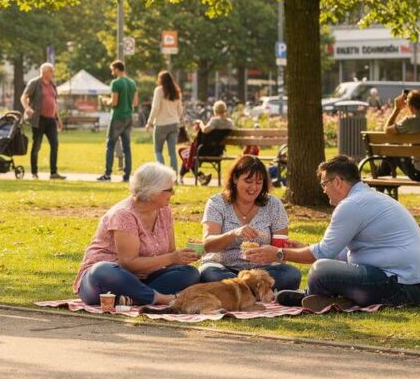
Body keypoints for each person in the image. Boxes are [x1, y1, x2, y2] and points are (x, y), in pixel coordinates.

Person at [248, 155, 420, 310]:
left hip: (400, 287)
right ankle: (331, 299)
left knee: (321, 271)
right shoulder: (368, 198)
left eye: (324, 184)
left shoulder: (351, 205)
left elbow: (324, 253)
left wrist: (279, 253)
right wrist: (305, 248)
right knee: (325, 268)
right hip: (413, 286)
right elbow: (342, 253)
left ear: (337, 182)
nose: (323, 191)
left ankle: (317, 297)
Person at [74, 163, 201, 306]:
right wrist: (172, 257)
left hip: (142, 278)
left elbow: (170, 254)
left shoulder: (164, 210)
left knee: (190, 273)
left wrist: (183, 257)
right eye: (169, 189)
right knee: (102, 270)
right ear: (152, 192)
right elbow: (128, 264)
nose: (173, 193)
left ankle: (132, 298)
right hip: (107, 280)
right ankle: (158, 298)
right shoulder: (124, 214)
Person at [197, 155, 302, 290]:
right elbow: (207, 245)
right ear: (235, 179)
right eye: (248, 181)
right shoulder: (217, 203)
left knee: (291, 275)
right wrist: (233, 234)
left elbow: (280, 249)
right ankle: (255, 290)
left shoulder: (273, 204)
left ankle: (239, 290)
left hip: (260, 270)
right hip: (222, 267)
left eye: (259, 182)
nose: (253, 187)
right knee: (210, 275)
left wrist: (272, 254)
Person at [376, 89, 420, 181]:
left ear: (410, 106)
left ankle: (378, 177)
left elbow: (387, 130)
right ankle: (380, 177)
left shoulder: (410, 121)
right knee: (393, 149)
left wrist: (397, 109)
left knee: (392, 148)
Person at [21, 63, 65, 179]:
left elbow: (54, 103)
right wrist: (27, 108)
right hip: (39, 120)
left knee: (55, 144)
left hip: (51, 120)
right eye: (51, 71)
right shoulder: (35, 83)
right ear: (45, 72)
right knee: (37, 146)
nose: (53, 73)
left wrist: (58, 119)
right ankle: (34, 173)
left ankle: (53, 173)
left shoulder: (52, 84)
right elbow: (24, 97)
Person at [98, 60, 137, 182]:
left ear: (116, 69)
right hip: (128, 117)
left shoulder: (115, 83)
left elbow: (114, 102)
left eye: (112, 70)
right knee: (127, 147)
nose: (111, 72)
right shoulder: (132, 83)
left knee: (110, 145)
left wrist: (105, 101)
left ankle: (107, 175)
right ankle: (127, 176)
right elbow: (135, 102)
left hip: (117, 117)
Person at [146, 71, 185, 175]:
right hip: (174, 124)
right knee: (172, 153)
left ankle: (162, 175)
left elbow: (155, 107)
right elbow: (180, 110)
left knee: (158, 151)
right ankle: (174, 176)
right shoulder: (176, 91)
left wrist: (149, 122)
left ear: (160, 80)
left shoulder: (159, 90)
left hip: (161, 124)